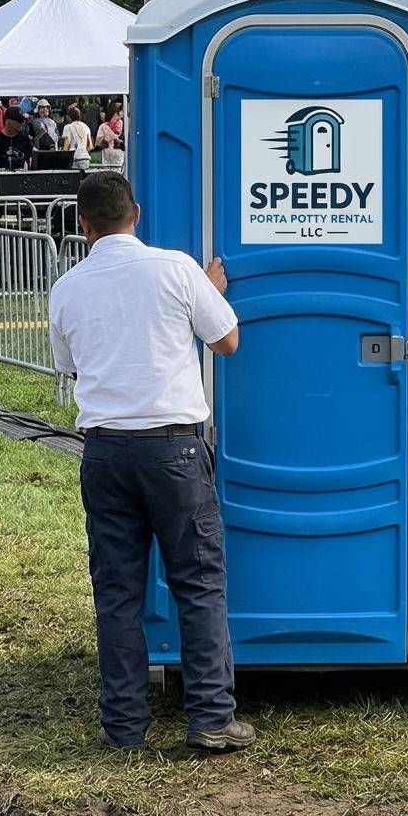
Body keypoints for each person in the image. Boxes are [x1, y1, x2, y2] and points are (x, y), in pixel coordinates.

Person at [48, 171, 253, 754]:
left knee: (116, 591)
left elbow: (71, 365)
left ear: (82, 225)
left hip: (106, 451)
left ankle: (124, 728)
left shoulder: (67, 288)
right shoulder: (177, 269)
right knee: (198, 583)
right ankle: (212, 717)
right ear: (136, 212)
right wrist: (210, 291)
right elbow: (228, 342)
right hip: (175, 449)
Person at [0, 106, 33, 184]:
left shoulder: (25, 140)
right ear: (9, 122)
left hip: (19, 183)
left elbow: (30, 161)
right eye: (19, 121)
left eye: (22, 121)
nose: (22, 123)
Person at [61, 105, 94, 169]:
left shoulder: (68, 127)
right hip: (86, 159)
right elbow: (90, 147)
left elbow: (67, 143)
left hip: (74, 158)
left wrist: (63, 157)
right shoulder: (86, 127)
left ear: (69, 116)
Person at [95, 101, 125, 169]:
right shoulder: (104, 126)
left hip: (114, 158)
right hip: (111, 158)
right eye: (116, 116)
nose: (118, 118)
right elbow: (98, 143)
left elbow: (98, 143)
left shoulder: (123, 124)